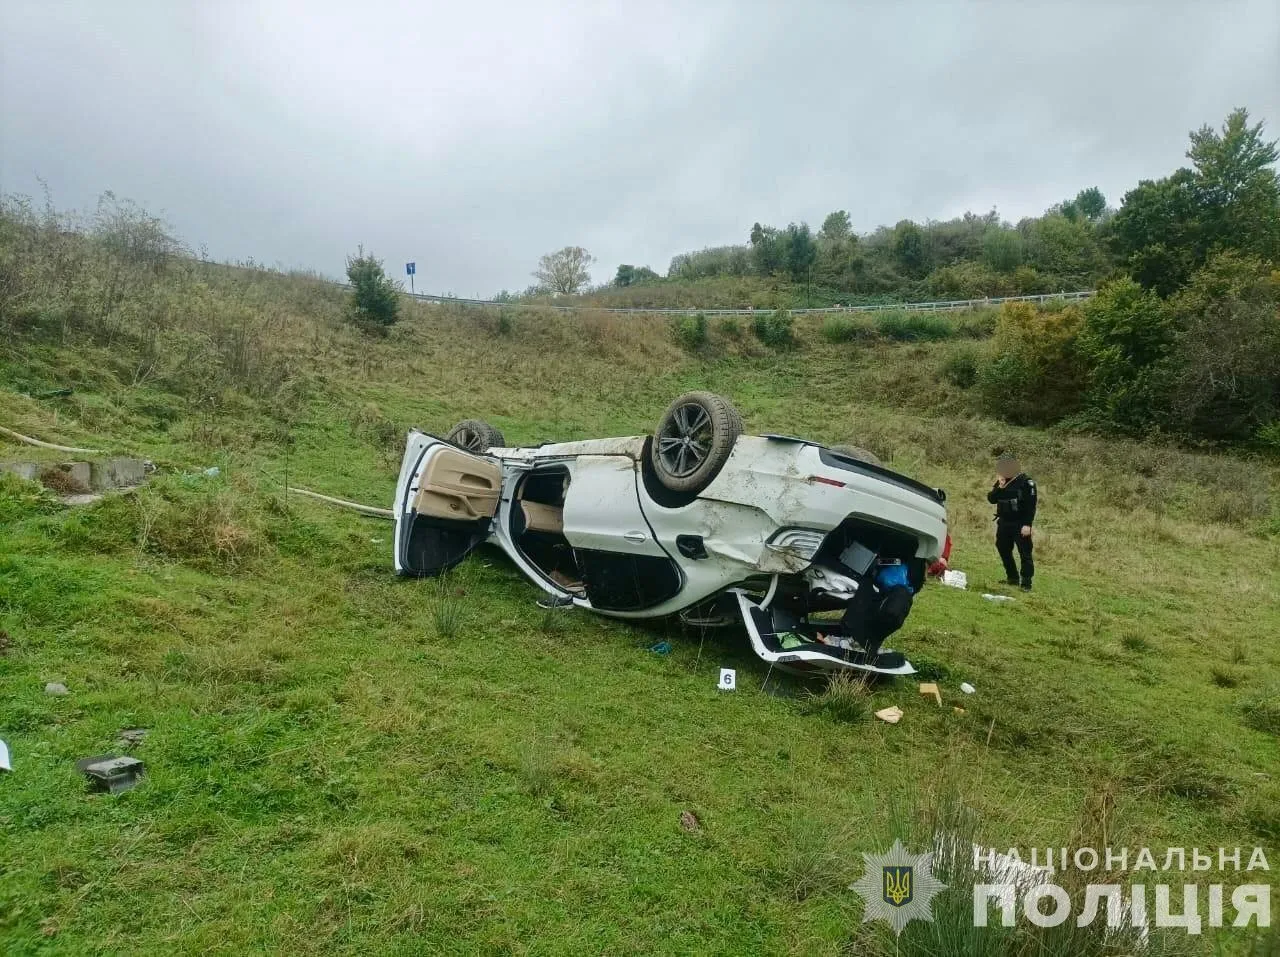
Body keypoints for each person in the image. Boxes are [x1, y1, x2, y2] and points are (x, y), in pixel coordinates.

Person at [987, 452, 1037, 590]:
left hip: (1020, 523)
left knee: (1024, 553)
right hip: (1004, 522)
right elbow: (991, 499)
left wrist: (1028, 525)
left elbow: (1030, 506)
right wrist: (1000, 487)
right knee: (1002, 548)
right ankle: (1012, 577)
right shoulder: (1001, 481)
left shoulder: (1026, 483)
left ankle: (1026, 582)